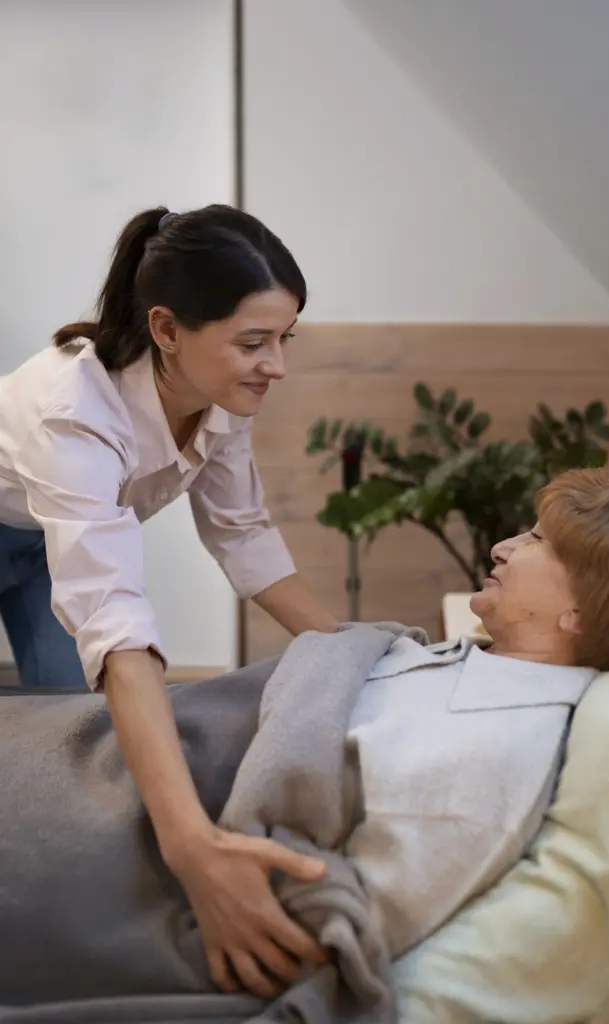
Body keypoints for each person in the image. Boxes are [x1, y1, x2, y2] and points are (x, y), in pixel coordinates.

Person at [2, 468, 609, 1010]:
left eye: (537, 542)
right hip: (145, 744)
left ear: (578, 610)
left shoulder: (500, 741)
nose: (504, 546)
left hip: (138, 826)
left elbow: (341, 907)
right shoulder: (470, 663)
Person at [0, 206, 336, 988]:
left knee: (72, 741)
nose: (276, 366)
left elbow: (244, 539)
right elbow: (115, 618)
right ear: (167, 328)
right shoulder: (73, 407)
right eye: (254, 342)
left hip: (41, 549)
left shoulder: (221, 398)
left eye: (285, 339)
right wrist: (192, 846)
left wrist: (357, 647)